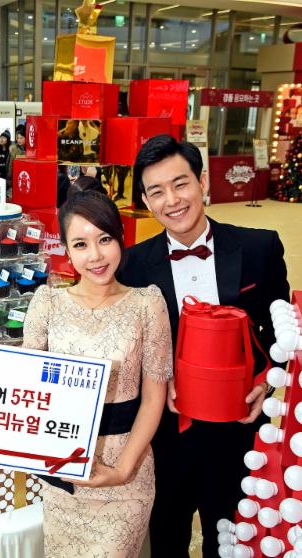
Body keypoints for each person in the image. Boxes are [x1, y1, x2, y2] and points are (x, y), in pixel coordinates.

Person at [117, 134, 290, 558]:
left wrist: (266, 383)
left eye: (181, 184)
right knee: (167, 539)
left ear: (203, 182)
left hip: (239, 427)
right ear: (146, 200)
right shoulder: (133, 265)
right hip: (167, 434)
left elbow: (280, 332)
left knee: (231, 539)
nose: (172, 200)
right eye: (157, 191)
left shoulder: (259, 248)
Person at [22, 190, 171, 557]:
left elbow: (154, 398)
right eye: (81, 244)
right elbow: (26, 386)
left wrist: (122, 470)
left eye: (104, 239)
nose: (95, 256)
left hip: (126, 474)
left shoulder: (147, 303)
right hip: (63, 475)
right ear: (67, 251)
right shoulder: (47, 303)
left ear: (120, 237)